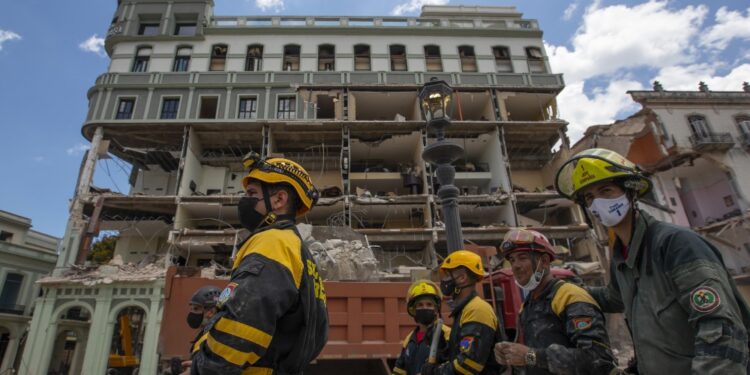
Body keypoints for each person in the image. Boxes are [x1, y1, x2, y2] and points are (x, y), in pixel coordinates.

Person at [555, 148, 750, 374]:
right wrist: (564, 287)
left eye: (605, 191)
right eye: (589, 198)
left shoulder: (676, 244)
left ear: (631, 192)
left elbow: (721, 331)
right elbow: (613, 298)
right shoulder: (622, 258)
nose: (597, 203)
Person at [191, 152, 328, 375]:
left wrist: (201, 369)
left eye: (252, 193)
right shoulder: (298, 251)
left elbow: (242, 325)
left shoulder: (273, 243)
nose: (244, 200)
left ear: (279, 200)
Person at [493, 228, 617, 374]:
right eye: (512, 260)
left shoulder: (569, 297)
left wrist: (530, 356)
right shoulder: (527, 306)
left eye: (522, 257)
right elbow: (534, 361)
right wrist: (511, 356)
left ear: (544, 261)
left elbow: (597, 360)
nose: (515, 266)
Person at [421, 250, 500, 375]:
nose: (444, 281)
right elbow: (461, 353)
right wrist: (443, 350)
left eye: (447, 275)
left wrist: (435, 372)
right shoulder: (465, 310)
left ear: (462, 278)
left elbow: (469, 364)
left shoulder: (477, 310)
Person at [393, 280, 451, 375]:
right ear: (414, 310)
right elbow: (399, 370)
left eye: (429, 304)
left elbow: (453, 369)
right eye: (420, 305)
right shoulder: (409, 339)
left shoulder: (447, 335)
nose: (425, 308)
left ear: (436, 309)